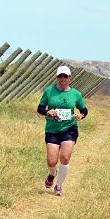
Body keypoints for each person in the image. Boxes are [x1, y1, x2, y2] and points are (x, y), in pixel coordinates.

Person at [37, 65, 88, 196]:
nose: (62, 79)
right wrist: (48, 111)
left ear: (70, 78)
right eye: (60, 76)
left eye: (65, 76)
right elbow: (40, 108)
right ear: (57, 77)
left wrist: (80, 115)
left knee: (65, 158)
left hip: (69, 128)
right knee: (52, 161)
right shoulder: (49, 91)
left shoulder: (76, 94)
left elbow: (84, 110)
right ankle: (52, 174)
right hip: (52, 129)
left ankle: (59, 185)